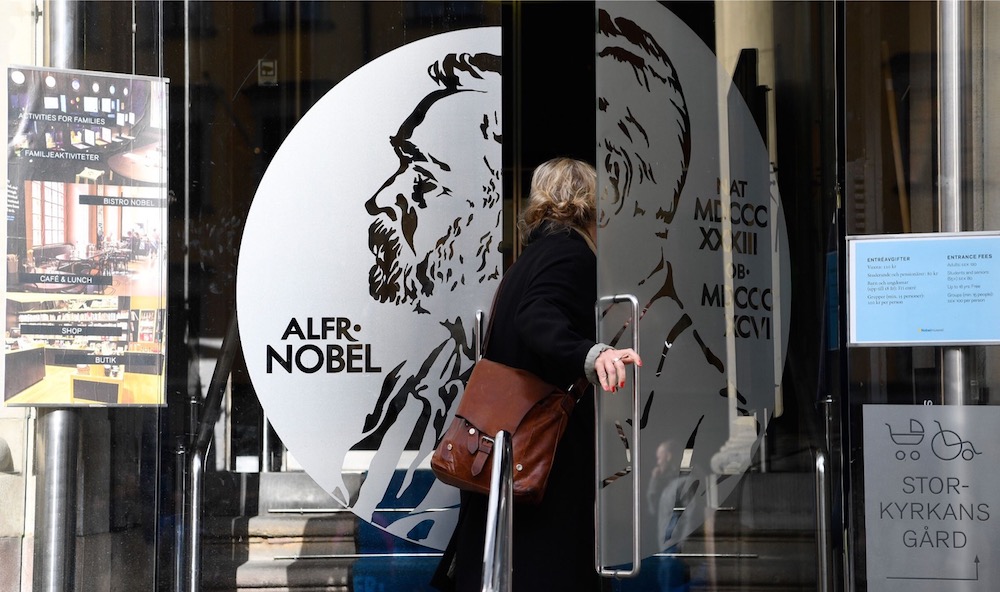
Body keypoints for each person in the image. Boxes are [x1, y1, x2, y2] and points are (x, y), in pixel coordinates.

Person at [431, 157, 642, 591]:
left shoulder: (527, 261)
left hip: (501, 437)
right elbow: (537, 317)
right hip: (542, 453)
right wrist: (592, 354)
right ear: (592, 203)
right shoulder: (571, 254)